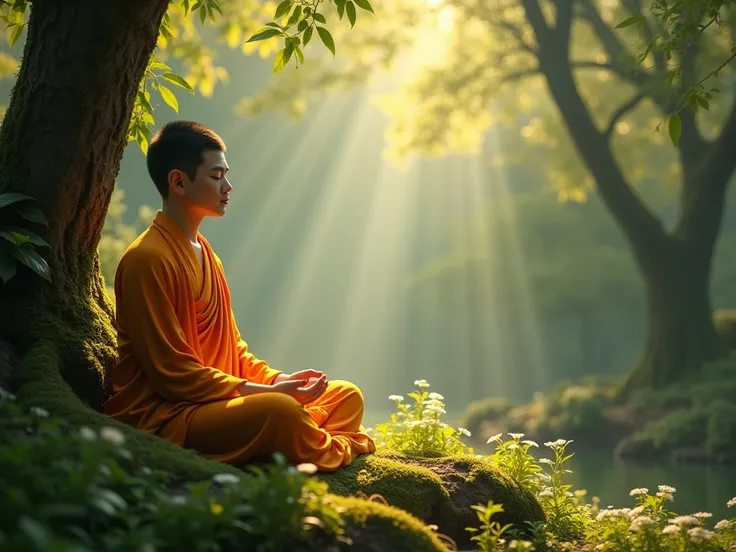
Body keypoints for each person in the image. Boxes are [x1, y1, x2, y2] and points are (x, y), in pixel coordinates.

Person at [104, 121, 375, 471]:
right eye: (216, 176)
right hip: (170, 415)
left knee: (347, 394)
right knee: (282, 412)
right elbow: (174, 376)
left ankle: (292, 444)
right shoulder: (147, 260)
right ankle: (323, 447)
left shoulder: (206, 253)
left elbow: (234, 351)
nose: (228, 187)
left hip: (222, 402)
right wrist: (270, 395)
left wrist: (278, 381)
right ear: (178, 181)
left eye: (225, 176)